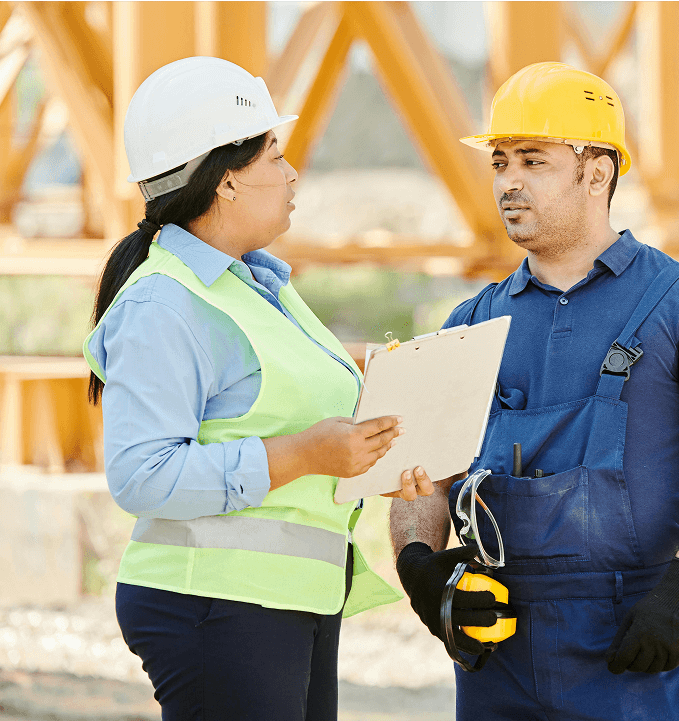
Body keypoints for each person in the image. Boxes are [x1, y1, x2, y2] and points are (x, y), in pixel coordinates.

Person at [389, 62, 679, 720]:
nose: (508, 182)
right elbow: (419, 475)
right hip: (498, 649)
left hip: (633, 639)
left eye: (533, 161)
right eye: (500, 162)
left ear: (597, 172)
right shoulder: (468, 323)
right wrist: (420, 567)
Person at [83, 56, 433, 721]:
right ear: (226, 180)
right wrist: (305, 454)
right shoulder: (164, 302)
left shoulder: (261, 287)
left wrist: (363, 461)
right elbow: (141, 474)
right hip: (216, 605)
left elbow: (280, 428)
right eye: (275, 154)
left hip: (287, 601)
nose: (292, 173)